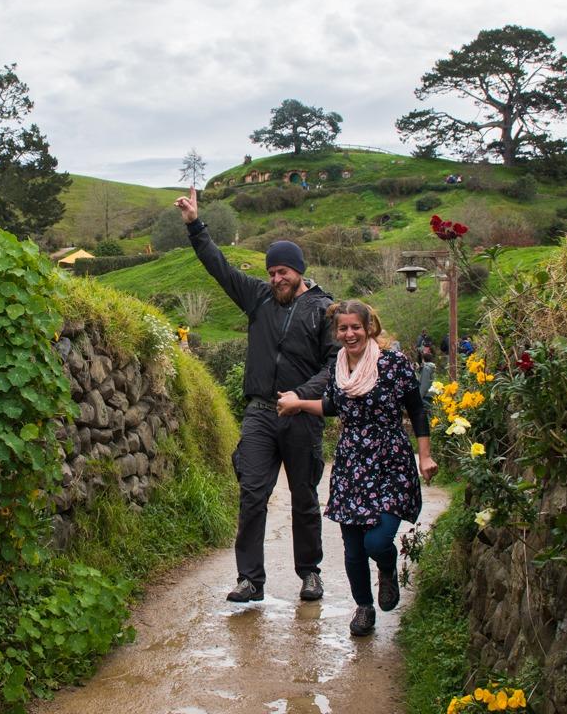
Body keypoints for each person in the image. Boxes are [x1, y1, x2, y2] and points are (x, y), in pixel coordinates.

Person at [175, 183, 337, 604]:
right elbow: (220, 267)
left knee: (303, 496)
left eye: (283, 271)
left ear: (299, 270)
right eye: (271, 272)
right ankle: (250, 579)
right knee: (251, 495)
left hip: (301, 415)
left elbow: (333, 366)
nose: (276, 278)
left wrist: (302, 395)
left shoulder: (323, 310)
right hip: (261, 413)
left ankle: (310, 574)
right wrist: (196, 226)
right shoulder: (259, 298)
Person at [276, 300, 437, 637]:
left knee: (376, 542)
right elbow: (333, 406)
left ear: (369, 328)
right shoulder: (339, 367)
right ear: (337, 332)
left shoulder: (392, 364)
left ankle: (387, 566)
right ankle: (364, 607)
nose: (350, 334)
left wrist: (425, 456)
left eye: (356, 328)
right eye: (343, 329)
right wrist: (298, 405)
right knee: (352, 548)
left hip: (390, 460)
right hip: (352, 463)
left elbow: (417, 410)